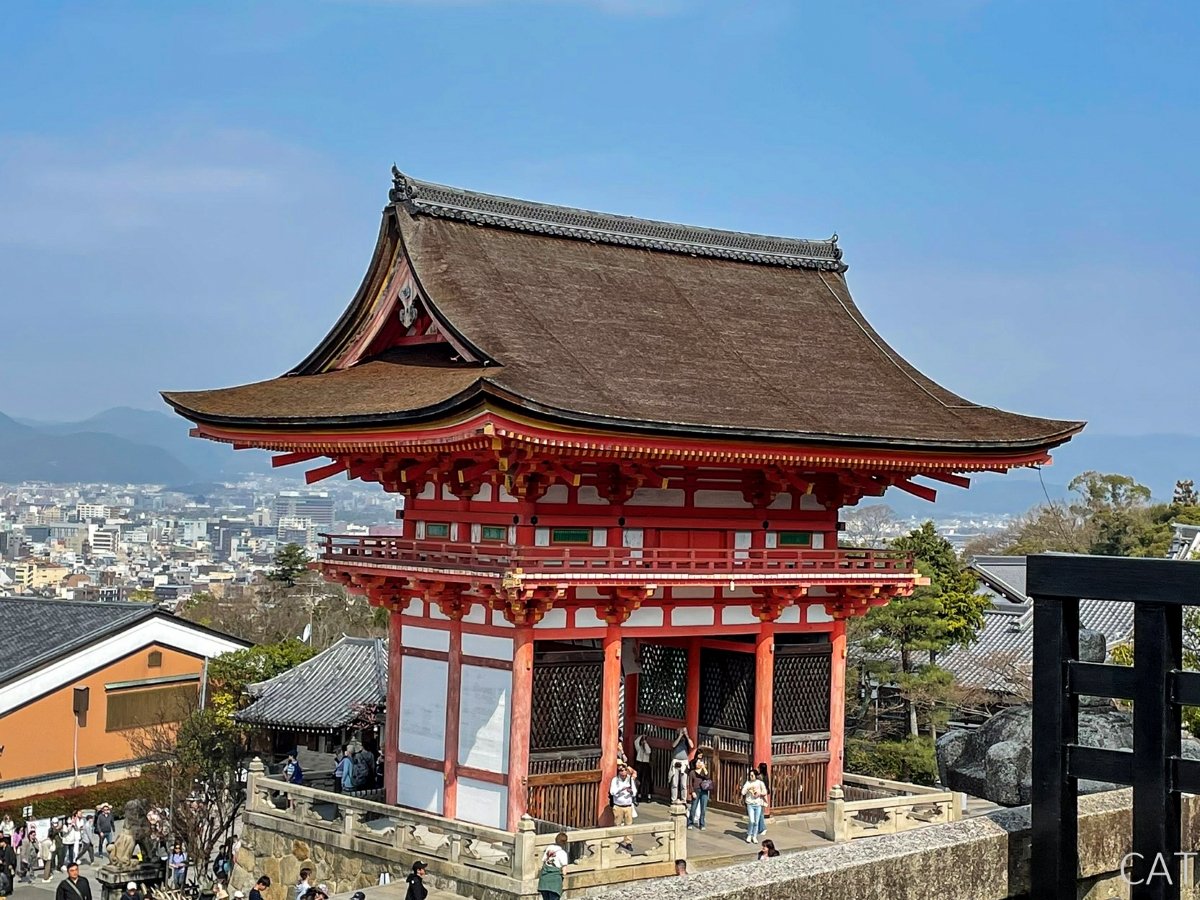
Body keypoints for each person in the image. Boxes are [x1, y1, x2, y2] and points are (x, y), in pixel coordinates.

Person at [607, 762, 637, 854]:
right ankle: (617, 840)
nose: (623, 773)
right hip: (618, 805)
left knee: (629, 825)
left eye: (625, 771)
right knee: (617, 824)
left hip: (628, 806)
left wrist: (631, 791)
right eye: (621, 771)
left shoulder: (630, 779)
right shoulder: (615, 780)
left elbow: (634, 792)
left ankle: (628, 842)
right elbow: (612, 792)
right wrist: (622, 789)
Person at [536, 832, 569, 900]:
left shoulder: (549, 848)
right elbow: (564, 872)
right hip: (554, 883)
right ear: (565, 843)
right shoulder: (562, 853)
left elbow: (544, 861)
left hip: (544, 881)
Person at [741, 767, 768, 843]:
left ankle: (754, 836)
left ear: (756, 775)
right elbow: (743, 792)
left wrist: (759, 793)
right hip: (750, 804)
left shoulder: (760, 783)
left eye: (752, 775)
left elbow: (765, 792)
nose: (751, 777)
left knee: (756, 821)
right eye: (750, 775)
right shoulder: (748, 783)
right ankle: (749, 834)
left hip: (758, 804)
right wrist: (747, 789)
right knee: (751, 821)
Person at [669, 727, 694, 804]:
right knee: (674, 783)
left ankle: (684, 799)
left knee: (683, 783)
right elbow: (673, 745)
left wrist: (687, 736)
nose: (682, 732)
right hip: (676, 761)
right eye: (680, 731)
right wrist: (679, 736)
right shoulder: (675, 738)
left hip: (684, 763)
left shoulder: (686, 740)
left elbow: (692, 746)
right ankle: (674, 799)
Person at [687, 756, 712, 831]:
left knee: (703, 809)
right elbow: (690, 783)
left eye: (700, 762)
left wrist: (704, 768)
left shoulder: (703, 772)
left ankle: (702, 824)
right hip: (696, 791)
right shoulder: (692, 772)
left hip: (704, 791)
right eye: (697, 762)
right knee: (693, 808)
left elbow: (708, 778)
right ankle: (690, 822)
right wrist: (692, 792)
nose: (699, 763)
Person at [632, 734, 653, 801]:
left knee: (647, 780)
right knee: (639, 779)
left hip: (646, 764)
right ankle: (639, 794)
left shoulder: (648, 747)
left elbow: (648, 751)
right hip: (639, 763)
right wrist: (641, 736)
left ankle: (648, 794)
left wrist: (645, 743)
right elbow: (636, 742)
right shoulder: (639, 749)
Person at [756, 761, 771, 834]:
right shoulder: (766, 775)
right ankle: (760, 828)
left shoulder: (759, 777)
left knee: (760, 813)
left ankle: (762, 828)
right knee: (760, 813)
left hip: (760, 796)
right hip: (763, 796)